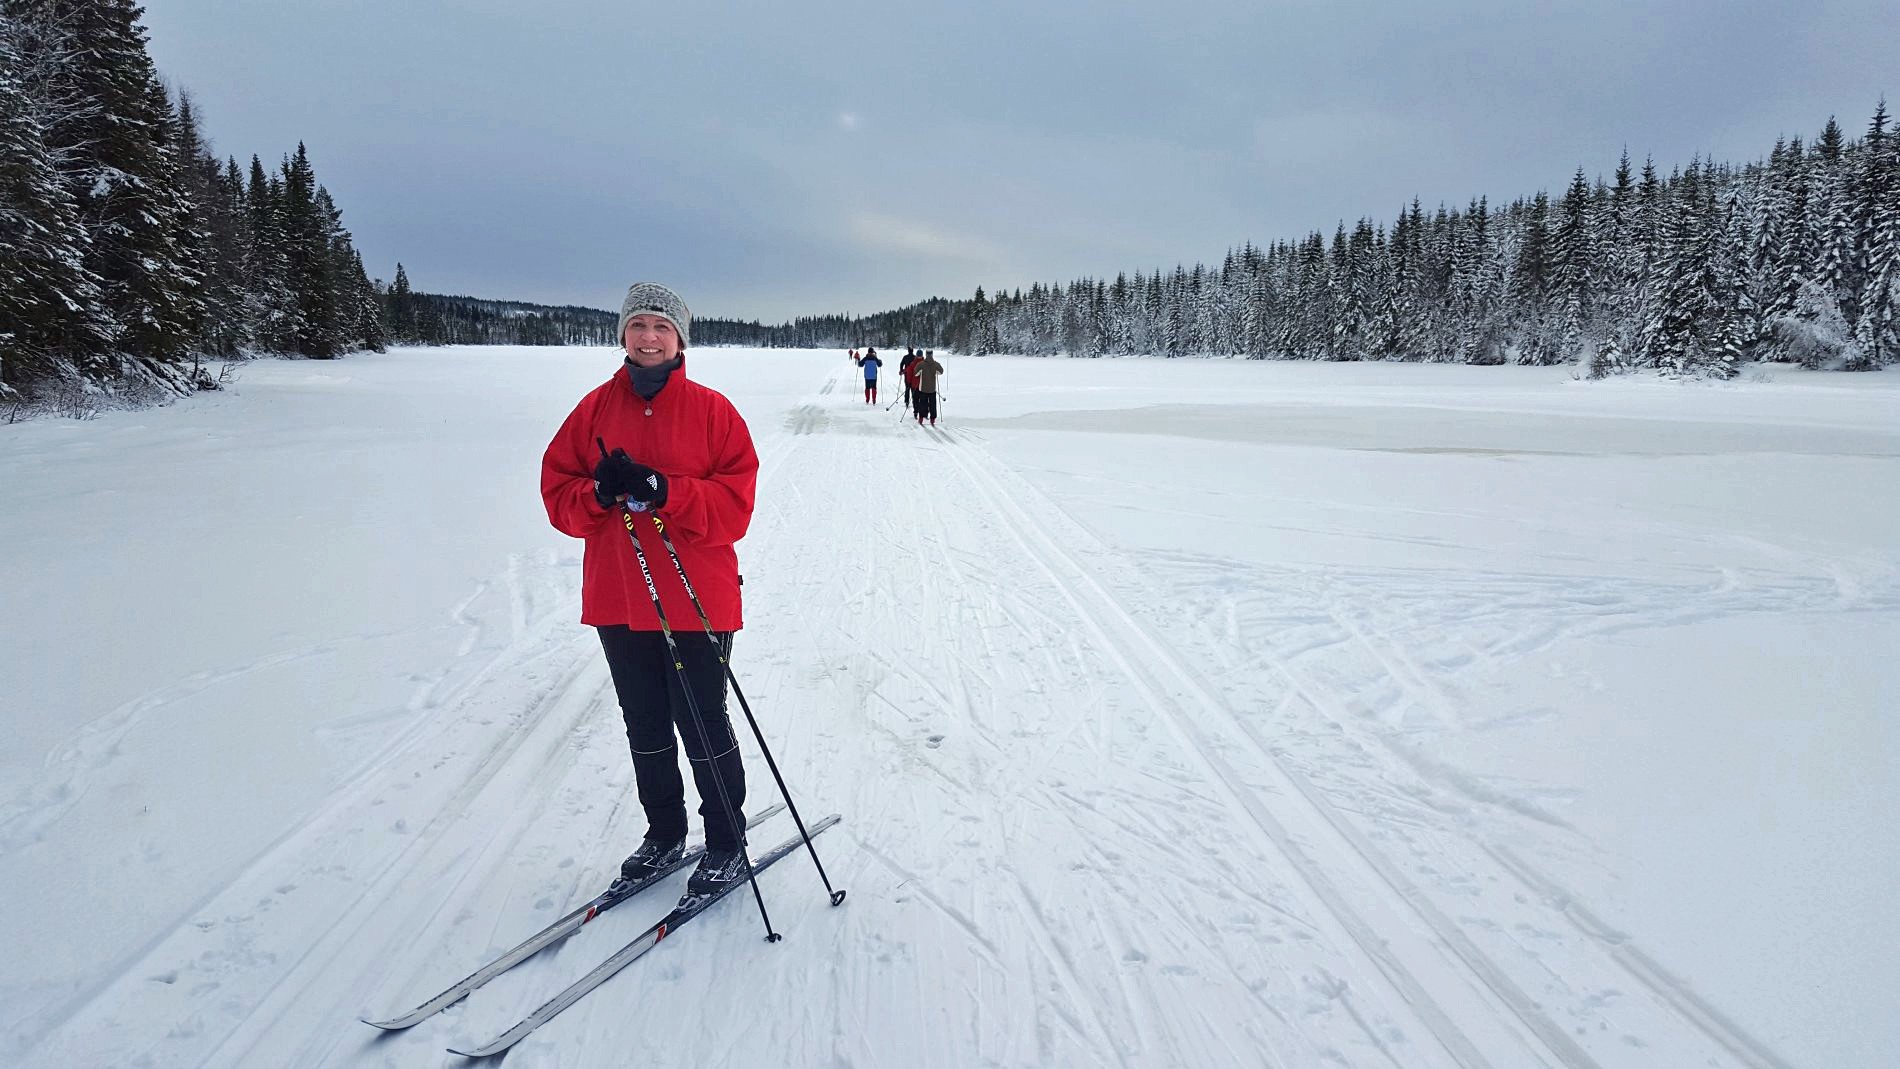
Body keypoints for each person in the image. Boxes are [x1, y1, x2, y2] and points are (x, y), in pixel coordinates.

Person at [540, 282, 759, 895]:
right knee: (645, 724)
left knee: (702, 721)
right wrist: (598, 494)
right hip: (619, 595)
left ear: (680, 338)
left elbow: (736, 507)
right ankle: (664, 834)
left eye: (661, 326)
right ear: (622, 335)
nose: (649, 336)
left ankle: (725, 841)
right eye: (638, 324)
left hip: (696, 597)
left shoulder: (714, 412)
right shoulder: (592, 411)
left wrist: (668, 490)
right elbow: (559, 497)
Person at [915, 349, 945, 425]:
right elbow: (941, 372)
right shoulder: (936, 364)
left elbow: (916, 374)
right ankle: (932, 419)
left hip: (923, 389)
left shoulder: (921, 364)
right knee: (933, 405)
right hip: (932, 389)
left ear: (926, 354)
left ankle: (921, 419)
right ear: (932, 354)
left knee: (922, 404)